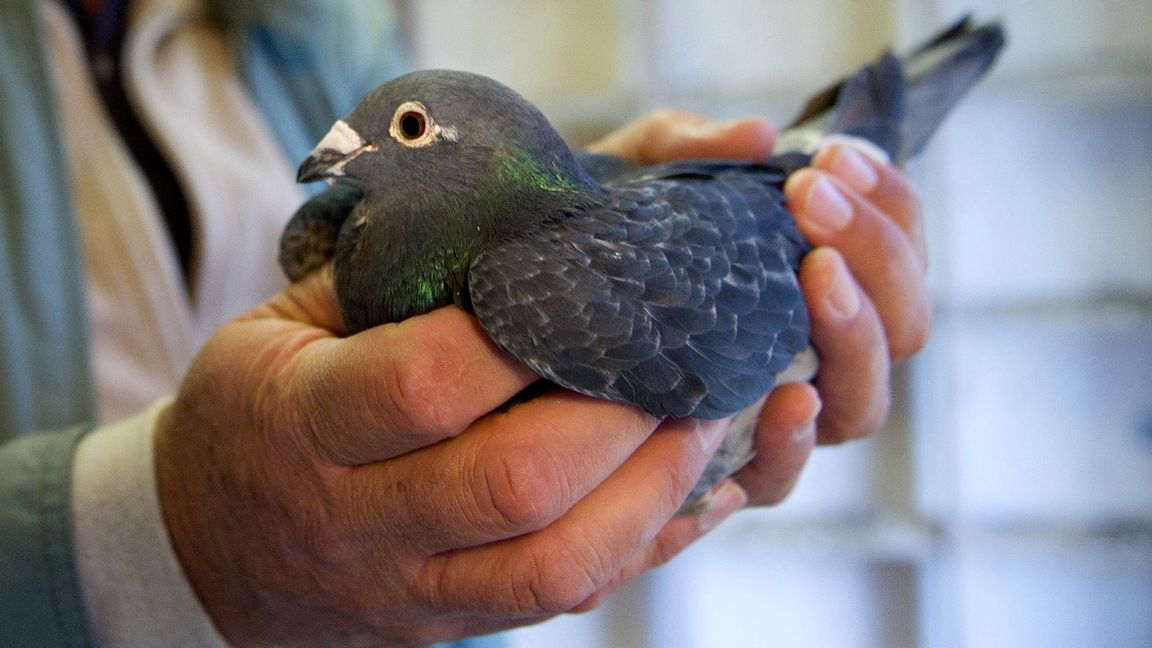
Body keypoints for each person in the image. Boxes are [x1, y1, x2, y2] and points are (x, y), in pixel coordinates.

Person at [0, 0, 930, 646]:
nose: (331, 155)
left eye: (399, 127)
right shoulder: (346, 223)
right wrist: (157, 533)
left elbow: (532, 189)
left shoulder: (304, 23)